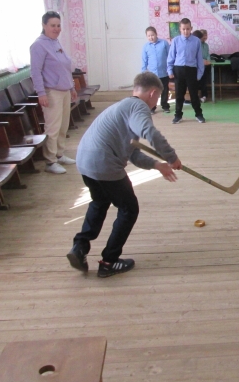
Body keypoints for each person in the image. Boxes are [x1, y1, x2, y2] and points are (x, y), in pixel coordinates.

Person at [67, 72, 182, 278]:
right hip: (104, 164)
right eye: (157, 99)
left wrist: (158, 164)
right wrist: (172, 157)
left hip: (85, 161)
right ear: (153, 93)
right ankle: (109, 261)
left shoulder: (122, 107)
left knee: (99, 201)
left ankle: (80, 247)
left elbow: (132, 153)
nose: (155, 103)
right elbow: (150, 133)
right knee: (129, 209)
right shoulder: (138, 107)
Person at [30, 11, 77, 175]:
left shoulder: (56, 42)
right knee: (53, 128)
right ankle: (50, 161)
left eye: (58, 25)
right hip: (51, 92)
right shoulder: (39, 45)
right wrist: (41, 93)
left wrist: (72, 87)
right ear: (44, 25)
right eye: (53, 25)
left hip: (64, 90)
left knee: (64, 126)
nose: (56, 29)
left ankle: (59, 154)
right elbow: (35, 72)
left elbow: (65, 68)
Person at [167, 18, 205, 124]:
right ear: (180, 29)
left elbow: (199, 59)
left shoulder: (196, 41)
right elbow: (171, 57)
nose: (185, 31)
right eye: (183, 29)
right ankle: (178, 115)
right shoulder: (175, 41)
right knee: (179, 94)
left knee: (194, 94)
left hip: (191, 70)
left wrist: (199, 74)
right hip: (178, 70)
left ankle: (199, 114)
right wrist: (169, 70)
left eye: (188, 29)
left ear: (191, 28)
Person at [141, 26, 170, 113]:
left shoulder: (164, 43)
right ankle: (152, 107)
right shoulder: (145, 47)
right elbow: (144, 60)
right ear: (146, 36)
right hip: (152, 74)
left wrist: (170, 69)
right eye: (149, 36)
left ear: (156, 34)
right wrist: (143, 73)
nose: (151, 37)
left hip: (164, 73)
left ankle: (165, 106)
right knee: (152, 91)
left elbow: (170, 57)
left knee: (164, 90)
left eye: (152, 35)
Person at [197, 29, 211, 103]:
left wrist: (208, 60)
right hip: (198, 66)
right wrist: (202, 61)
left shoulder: (206, 45)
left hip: (205, 66)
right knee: (198, 81)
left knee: (204, 81)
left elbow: (208, 54)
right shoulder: (197, 44)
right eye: (203, 35)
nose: (205, 37)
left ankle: (204, 96)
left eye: (206, 35)